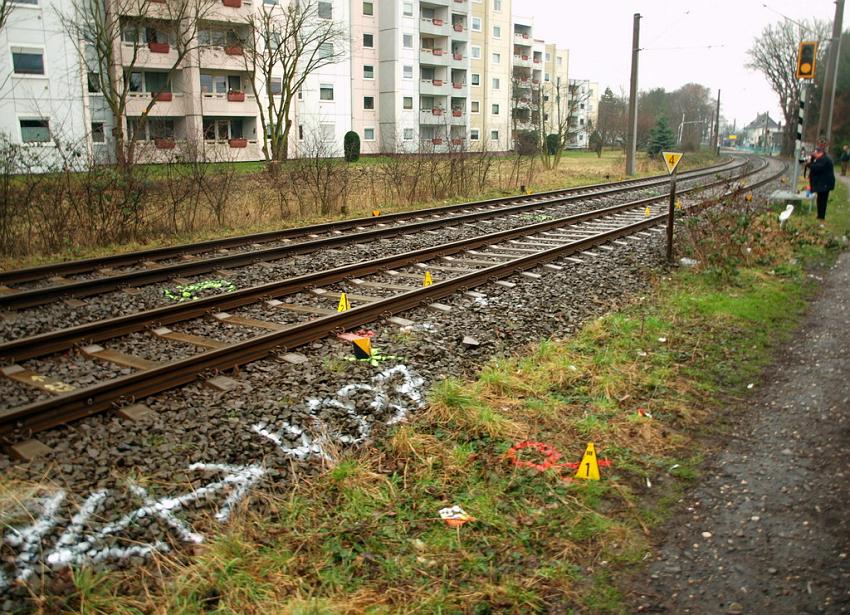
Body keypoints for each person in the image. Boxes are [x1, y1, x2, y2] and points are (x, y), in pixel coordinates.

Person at [808, 146, 836, 221]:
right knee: (820, 199)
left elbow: (817, 168)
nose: (814, 155)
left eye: (815, 153)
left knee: (822, 200)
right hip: (823, 183)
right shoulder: (821, 159)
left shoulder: (824, 160)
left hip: (825, 184)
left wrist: (809, 164)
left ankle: (821, 216)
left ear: (820, 153)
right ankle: (819, 215)